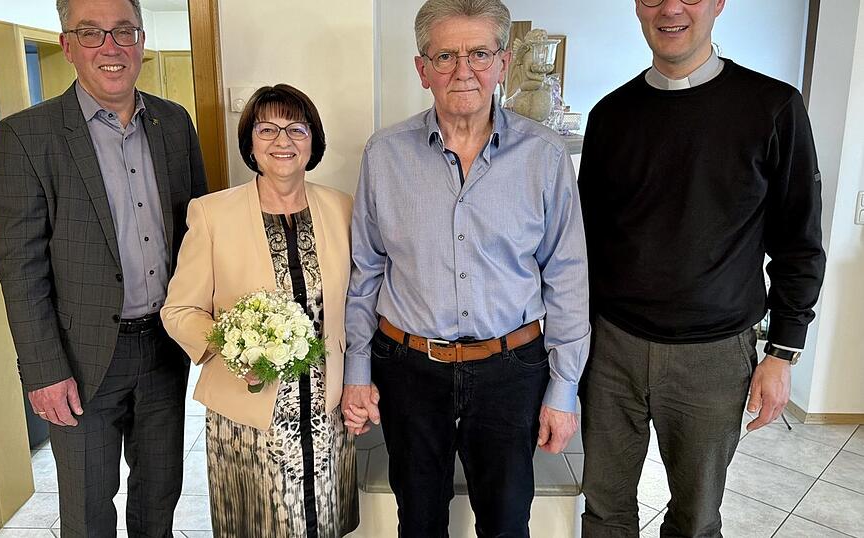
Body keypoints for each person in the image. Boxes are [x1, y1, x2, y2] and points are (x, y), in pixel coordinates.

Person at [341, 0, 591, 535]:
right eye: (446, 55)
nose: (463, 70)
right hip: (408, 369)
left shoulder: (544, 157)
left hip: (511, 370)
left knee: (505, 523)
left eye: (479, 53)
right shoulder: (384, 155)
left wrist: (564, 390)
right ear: (422, 67)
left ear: (502, 62)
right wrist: (358, 373)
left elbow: (568, 277)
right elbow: (364, 272)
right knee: (420, 522)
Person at [577, 0, 826, 536]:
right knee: (603, 511)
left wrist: (782, 351)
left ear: (717, 3)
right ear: (637, 8)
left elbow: (799, 241)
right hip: (611, 348)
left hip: (715, 354)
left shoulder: (773, 107)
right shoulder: (610, 116)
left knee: (695, 519)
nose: (670, 9)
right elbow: (585, 243)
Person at [0, 0, 207, 534]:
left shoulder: (173, 123)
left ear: (141, 40)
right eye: (91, 33)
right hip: (80, 360)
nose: (110, 47)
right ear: (66, 45)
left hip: (162, 348)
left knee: (160, 492)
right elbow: (20, 268)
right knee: (87, 507)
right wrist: (43, 370)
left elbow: (200, 236)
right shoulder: (25, 137)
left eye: (123, 31)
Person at [161, 84, 359, 538]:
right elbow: (179, 309)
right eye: (267, 129)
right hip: (248, 413)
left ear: (314, 140)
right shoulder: (212, 214)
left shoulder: (342, 207)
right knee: (260, 526)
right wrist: (233, 348)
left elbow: (358, 303)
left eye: (296, 128)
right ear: (250, 142)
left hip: (325, 409)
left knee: (321, 523)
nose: (282, 141)